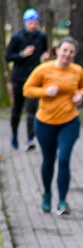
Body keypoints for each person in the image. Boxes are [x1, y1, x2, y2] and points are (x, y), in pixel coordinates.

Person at [22, 37, 83, 215]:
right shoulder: (44, 69)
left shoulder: (77, 71)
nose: (67, 54)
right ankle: (47, 194)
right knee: (48, 161)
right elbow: (27, 89)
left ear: (75, 54)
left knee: (64, 159)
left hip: (69, 121)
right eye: (65, 50)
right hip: (45, 122)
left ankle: (63, 201)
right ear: (57, 50)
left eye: (71, 52)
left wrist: (80, 96)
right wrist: (45, 91)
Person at [6, 8, 49, 151]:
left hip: (35, 78)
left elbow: (45, 51)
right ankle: (14, 134)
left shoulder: (42, 36)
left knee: (32, 109)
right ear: (25, 23)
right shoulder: (17, 37)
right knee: (17, 109)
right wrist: (22, 54)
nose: (33, 25)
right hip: (19, 77)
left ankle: (30, 139)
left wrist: (45, 56)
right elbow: (8, 57)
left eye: (35, 22)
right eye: (30, 22)